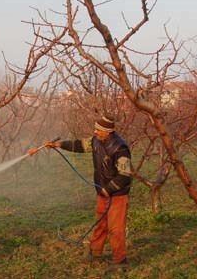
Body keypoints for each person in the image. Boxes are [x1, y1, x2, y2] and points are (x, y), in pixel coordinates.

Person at [43, 115, 132, 271]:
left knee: (115, 229)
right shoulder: (96, 141)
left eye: (98, 130)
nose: (95, 132)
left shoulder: (120, 148)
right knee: (100, 223)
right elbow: (78, 145)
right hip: (102, 192)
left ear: (108, 132)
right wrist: (57, 144)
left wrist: (108, 189)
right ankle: (95, 253)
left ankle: (120, 261)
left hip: (117, 195)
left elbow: (124, 176)